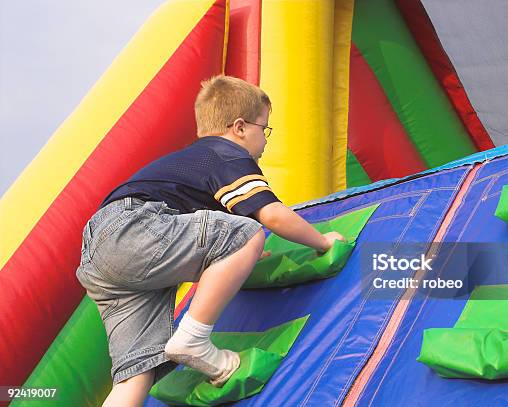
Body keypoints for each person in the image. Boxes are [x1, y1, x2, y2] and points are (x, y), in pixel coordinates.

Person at [76, 75, 345, 406]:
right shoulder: (226, 155)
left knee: (137, 368)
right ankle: (193, 339)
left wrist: (235, 256)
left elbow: (198, 237)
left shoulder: (194, 162)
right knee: (248, 233)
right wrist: (322, 241)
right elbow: (271, 215)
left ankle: (216, 363)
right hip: (134, 228)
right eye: (265, 129)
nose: (265, 141)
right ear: (240, 127)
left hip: (100, 251)